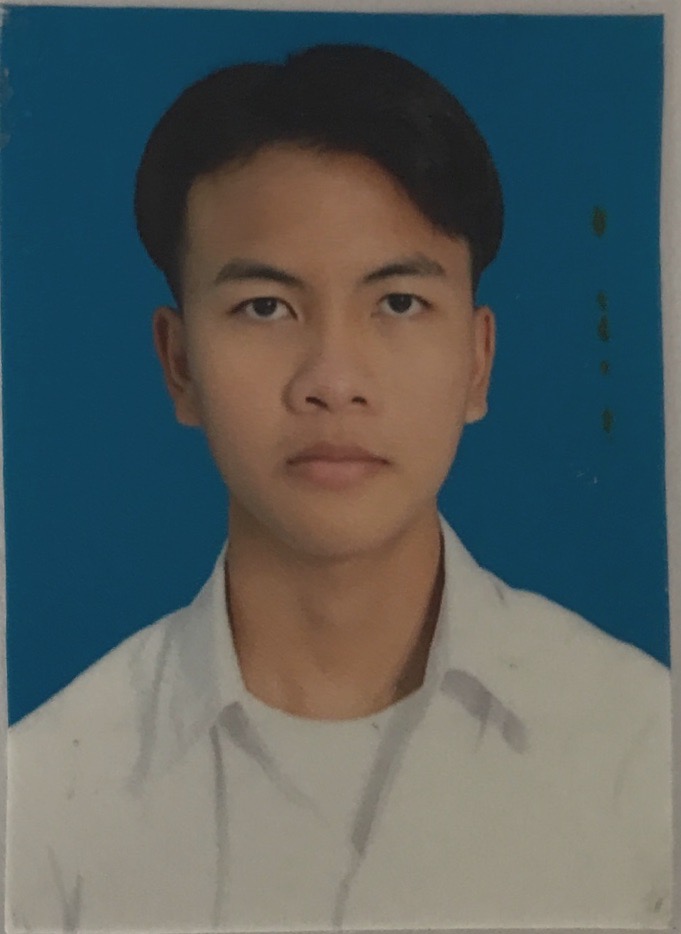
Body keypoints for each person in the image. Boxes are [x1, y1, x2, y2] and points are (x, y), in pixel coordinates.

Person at [6, 43, 671, 932]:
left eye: (397, 303)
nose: (333, 380)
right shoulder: (45, 797)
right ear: (179, 365)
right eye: (265, 307)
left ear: (477, 361)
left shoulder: (640, 745)